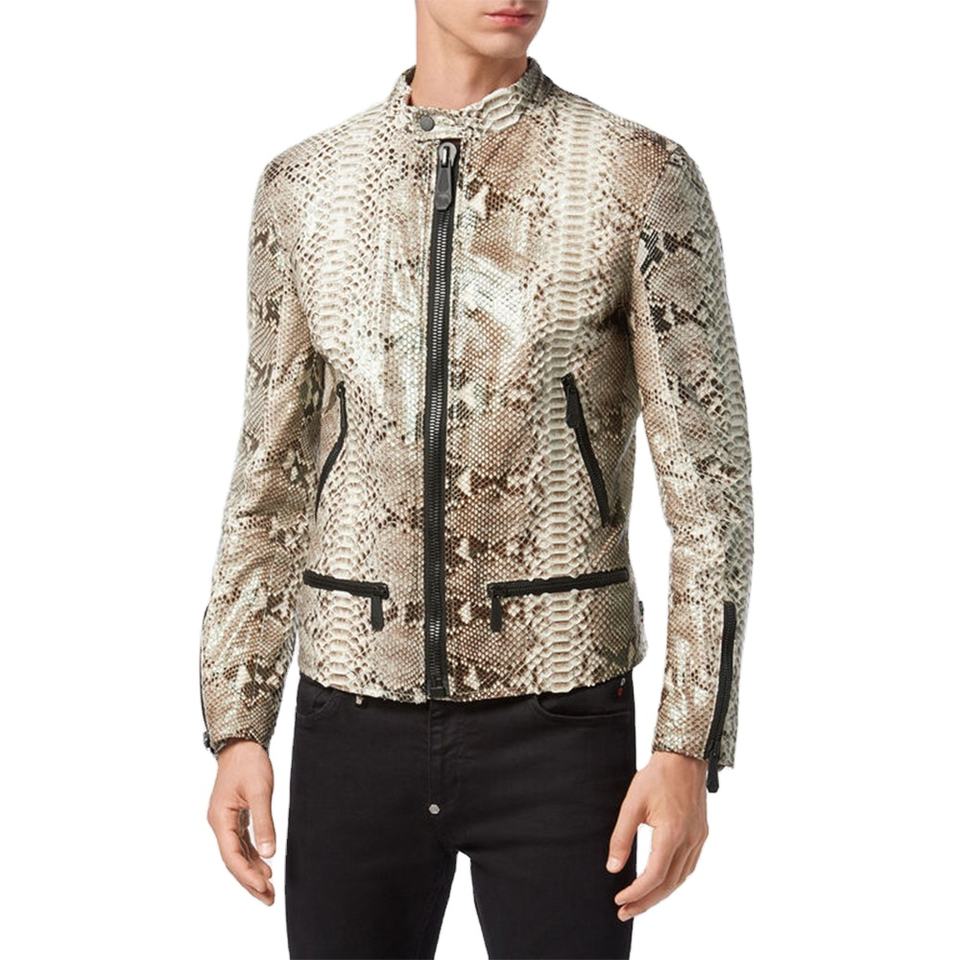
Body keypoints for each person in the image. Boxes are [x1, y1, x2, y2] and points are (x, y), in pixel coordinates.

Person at [199, 1, 754, 957]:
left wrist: (686, 744)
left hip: (560, 720)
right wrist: (238, 722)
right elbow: (269, 477)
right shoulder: (305, 187)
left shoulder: (637, 175)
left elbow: (713, 499)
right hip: (351, 716)